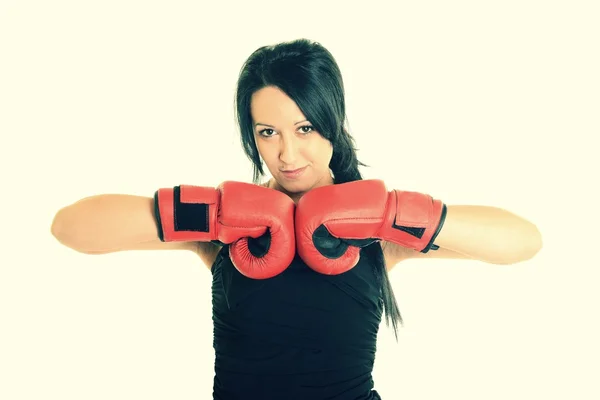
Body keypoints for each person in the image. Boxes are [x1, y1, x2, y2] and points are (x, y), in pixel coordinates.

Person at [50, 38, 543, 399]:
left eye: (304, 127)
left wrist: (393, 212)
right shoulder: (226, 227)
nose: (287, 153)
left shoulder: (376, 232)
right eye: (267, 132)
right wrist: (210, 214)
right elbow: (70, 228)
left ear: (333, 121)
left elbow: (524, 241)